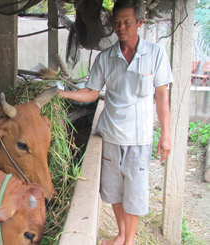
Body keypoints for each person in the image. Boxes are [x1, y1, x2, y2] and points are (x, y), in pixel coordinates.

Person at [58, 0, 172, 244]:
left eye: (127, 22)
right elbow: (91, 91)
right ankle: (121, 233)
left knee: (135, 194)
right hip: (111, 135)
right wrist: (62, 94)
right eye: (117, 22)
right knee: (114, 190)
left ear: (140, 23)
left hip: (139, 139)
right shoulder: (106, 58)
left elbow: (162, 96)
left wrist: (166, 135)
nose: (121, 27)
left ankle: (128, 240)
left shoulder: (155, 54)